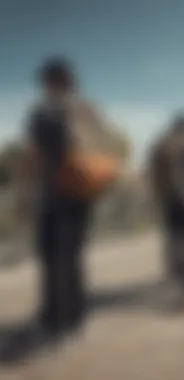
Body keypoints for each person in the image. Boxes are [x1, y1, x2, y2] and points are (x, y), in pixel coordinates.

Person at [15, 57, 99, 346]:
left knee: (54, 260)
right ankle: (72, 318)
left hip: (55, 197)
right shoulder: (85, 110)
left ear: (50, 82)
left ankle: (57, 321)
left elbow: (32, 158)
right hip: (81, 195)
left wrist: (25, 196)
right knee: (71, 259)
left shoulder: (42, 113)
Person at [150, 113, 184, 312]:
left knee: (174, 241)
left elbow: (156, 176)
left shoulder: (162, 146)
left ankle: (177, 281)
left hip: (170, 202)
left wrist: (161, 196)